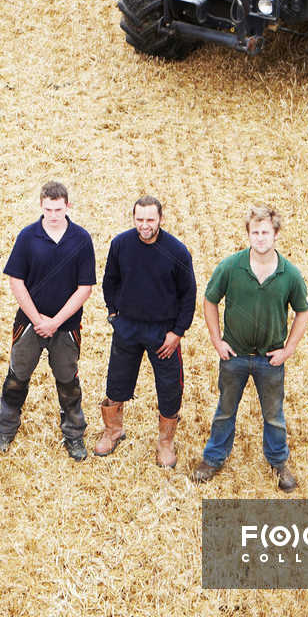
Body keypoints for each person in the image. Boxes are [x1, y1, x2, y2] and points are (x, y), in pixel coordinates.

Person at [191, 204, 308, 491]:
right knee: (225, 410)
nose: (260, 238)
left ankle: (278, 462)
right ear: (248, 234)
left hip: (269, 360)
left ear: (276, 234)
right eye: (255, 232)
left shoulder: (289, 274)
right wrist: (216, 339)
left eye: (265, 232)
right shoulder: (231, 267)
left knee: (273, 414)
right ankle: (213, 458)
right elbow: (209, 300)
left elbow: (303, 312)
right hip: (234, 356)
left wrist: (288, 349)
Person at [0, 181, 96, 461]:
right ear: (41, 206)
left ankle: (74, 435)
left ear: (68, 206)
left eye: (58, 209)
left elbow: (85, 287)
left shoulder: (81, 239)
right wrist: (38, 320)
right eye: (47, 209)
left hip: (67, 327)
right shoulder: (27, 237)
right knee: (16, 378)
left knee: (68, 383)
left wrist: (56, 322)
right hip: (29, 324)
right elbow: (16, 280)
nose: (52, 214)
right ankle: (4, 428)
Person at [97, 195, 195, 466]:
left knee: (169, 386)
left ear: (160, 219)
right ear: (134, 219)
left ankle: (165, 442)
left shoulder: (176, 251)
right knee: (116, 381)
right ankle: (113, 430)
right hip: (127, 326)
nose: (144, 225)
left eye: (150, 219)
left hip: (162, 332)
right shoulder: (120, 245)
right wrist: (114, 314)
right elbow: (110, 282)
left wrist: (177, 332)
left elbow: (189, 295)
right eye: (139, 219)